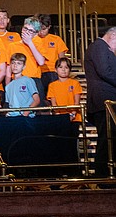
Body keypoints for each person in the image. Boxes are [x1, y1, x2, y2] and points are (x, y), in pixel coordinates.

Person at [83, 27, 116, 172]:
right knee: (106, 138)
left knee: (110, 138)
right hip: (103, 100)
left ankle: (108, 171)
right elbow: (104, 71)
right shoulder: (99, 46)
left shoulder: (104, 48)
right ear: (112, 35)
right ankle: (102, 174)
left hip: (107, 99)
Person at [5, 16, 46, 98]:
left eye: (30, 31)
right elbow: (8, 68)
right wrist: (8, 86)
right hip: (16, 80)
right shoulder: (12, 46)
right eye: (25, 29)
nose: (26, 32)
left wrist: (30, 43)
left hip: (33, 80)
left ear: (35, 34)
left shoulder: (38, 43)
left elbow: (41, 62)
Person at [34, 13, 68, 95]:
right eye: (39, 29)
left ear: (49, 27)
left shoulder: (56, 39)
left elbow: (62, 59)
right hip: (38, 72)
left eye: (44, 29)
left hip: (53, 71)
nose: (41, 32)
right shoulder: (32, 40)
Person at [47, 57, 82, 123]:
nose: (63, 70)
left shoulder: (75, 83)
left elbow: (77, 101)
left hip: (74, 118)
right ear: (55, 70)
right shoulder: (52, 85)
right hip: (59, 118)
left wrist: (72, 114)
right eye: (60, 67)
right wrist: (59, 116)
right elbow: (53, 103)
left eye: (66, 67)